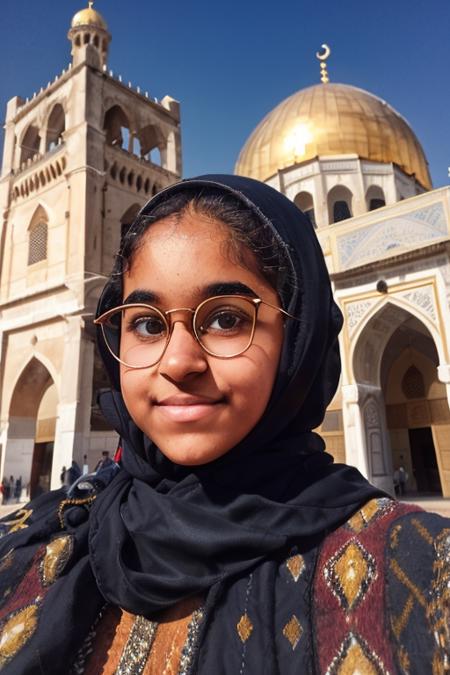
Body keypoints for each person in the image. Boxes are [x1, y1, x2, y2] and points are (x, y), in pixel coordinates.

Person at [0, 175, 448, 673]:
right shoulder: (39, 541)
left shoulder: (422, 575)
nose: (178, 362)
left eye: (227, 319)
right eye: (147, 324)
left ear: (300, 334)